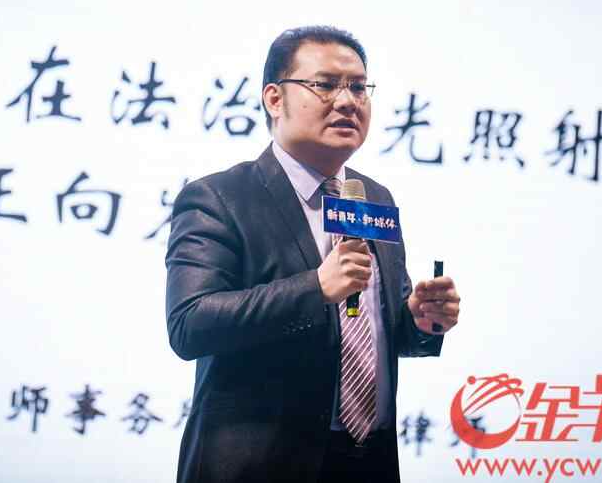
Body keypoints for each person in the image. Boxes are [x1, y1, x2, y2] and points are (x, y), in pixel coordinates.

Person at [165, 25, 461, 483]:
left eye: (359, 87)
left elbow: (371, 330)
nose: (347, 101)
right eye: (325, 85)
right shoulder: (219, 198)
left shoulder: (373, 198)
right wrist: (315, 288)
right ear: (274, 98)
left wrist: (419, 320)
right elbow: (190, 324)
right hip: (258, 466)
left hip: (368, 460)